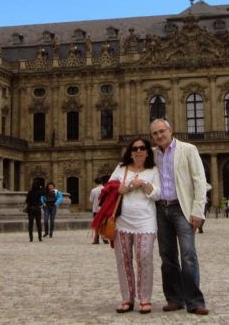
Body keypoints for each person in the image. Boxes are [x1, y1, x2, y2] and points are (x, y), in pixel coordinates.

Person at [150, 118, 209, 316]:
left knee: (188, 255)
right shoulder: (152, 155)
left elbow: (199, 181)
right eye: (155, 133)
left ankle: (194, 301)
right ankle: (174, 299)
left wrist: (197, 211)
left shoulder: (188, 149)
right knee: (167, 257)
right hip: (161, 209)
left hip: (182, 209)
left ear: (170, 130)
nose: (159, 136)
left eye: (161, 131)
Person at [109, 138, 161, 314]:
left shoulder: (154, 170)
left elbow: (158, 194)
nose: (138, 151)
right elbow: (109, 187)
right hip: (122, 221)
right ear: (130, 152)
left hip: (146, 221)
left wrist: (143, 184)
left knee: (144, 257)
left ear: (148, 152)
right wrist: (119, 188)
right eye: (135, 148)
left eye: (142, 148)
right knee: (123, 261)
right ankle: (127, 298)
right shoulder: (121, 168)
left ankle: (144, 298)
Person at [24, 178, 44, 242]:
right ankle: (40, 238)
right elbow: (44, 194)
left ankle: (31, 238)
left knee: (31, 224)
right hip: (38, 208)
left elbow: (27, 201)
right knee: (39, 224)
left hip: (31, 209)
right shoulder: (40, 192)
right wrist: (41, 188)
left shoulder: (30, 192)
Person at [89, 175, 105, 245]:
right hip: (104, 209)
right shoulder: (105, 188)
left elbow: (91, 200)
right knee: (104, 224)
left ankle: (96, 239)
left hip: (96, 210)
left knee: (97, 225)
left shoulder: (94, 190)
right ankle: (105, 238)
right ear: (102, 182)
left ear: (95, 182)